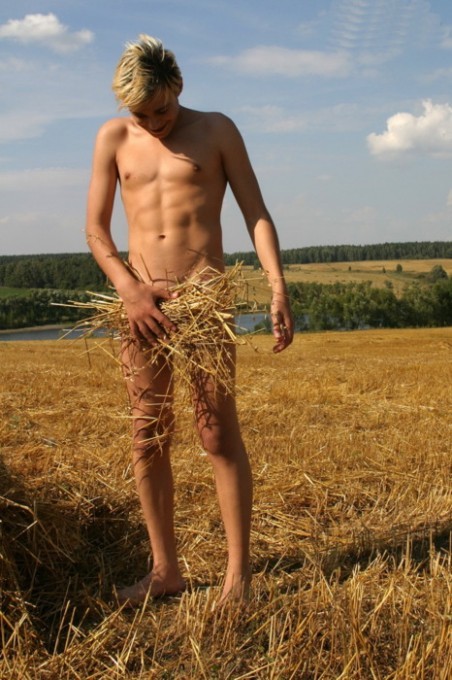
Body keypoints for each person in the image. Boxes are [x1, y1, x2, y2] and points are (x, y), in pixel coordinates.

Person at [85, 35, 293, 606]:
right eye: (142, 115)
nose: (154, 124)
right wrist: (130, 290)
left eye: (162, 110)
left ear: (177, 85)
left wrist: (277, 286)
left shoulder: (217, 130)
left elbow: (256, 213)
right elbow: (96, 230)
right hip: (142, 309)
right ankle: (165, 571)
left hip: (204, 305)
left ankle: (237, 577)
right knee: (148, 434)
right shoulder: (112, 137)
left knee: (216, 432)